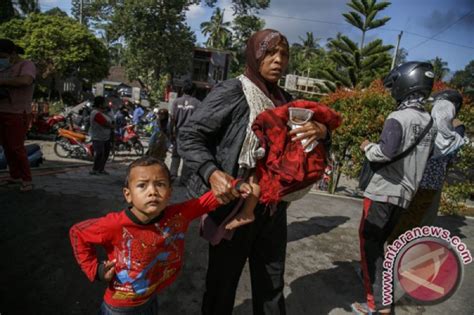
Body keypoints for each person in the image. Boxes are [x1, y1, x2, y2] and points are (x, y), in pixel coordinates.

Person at [178, 29, 329, 315]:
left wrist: (320, 130)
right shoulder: (233, 91)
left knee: (271, 284)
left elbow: (314, 135)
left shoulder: (288, 101)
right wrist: (212, 172)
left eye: (283, 54)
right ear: (254, 55)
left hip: (273, 208)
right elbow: (190, 135)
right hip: (234, 205)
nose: (278, 60)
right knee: (222, 285)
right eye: (270, 53)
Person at [69, 156, 254, 315]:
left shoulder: (179, 215)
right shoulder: (113, 224)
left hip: (150, 298)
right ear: (128, 195)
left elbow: (206, 201)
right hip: (119, 308)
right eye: (142, 185)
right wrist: (96, 270)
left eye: (160, 184)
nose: (152, 191)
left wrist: (235, 186)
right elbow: (78, 233)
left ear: (169, 193)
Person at [353, 61, 437, 315]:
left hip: (382, 192)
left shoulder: (397, 117)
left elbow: (384, 152)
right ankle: (382, 298)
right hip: (404, 196)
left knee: (370, 247)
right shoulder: (429, 122)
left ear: (404, 85)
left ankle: (377, 306)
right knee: (382, 247)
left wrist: (367, 146)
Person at [387, 89, 467, 243]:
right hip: (426, 185)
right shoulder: (452, 136)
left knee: (407, 222)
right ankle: (395, 256)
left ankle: (395, 254)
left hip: (415, 183)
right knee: (412, 224)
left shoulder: (426, 125)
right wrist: (460, 128)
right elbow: (450, 155)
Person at [0, 39, 36, 192]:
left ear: (12, 53)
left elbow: (26, 80)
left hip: (17, 112)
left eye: (2, 56)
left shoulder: (26, 65)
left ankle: (27, 179)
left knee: (16, 147)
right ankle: (14, 176)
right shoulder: (8, 67)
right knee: (7, 147)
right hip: (3, 110)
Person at [169, 81, 201, 183]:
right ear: (194, 91)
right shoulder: (198, 103)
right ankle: (184, 179)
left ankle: (173, 175)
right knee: (187, 157)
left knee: (175, 155)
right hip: (191, 135)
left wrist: (170, 133)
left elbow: (172, 120)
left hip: (178, 133)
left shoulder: (176, 102)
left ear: (183, 90)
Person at [89, 96, 114, 175]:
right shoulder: (95, 113)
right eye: (104, 103)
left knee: (106, 153)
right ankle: (95, 169)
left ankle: (101, 169)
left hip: (105, 137)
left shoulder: (104, 112)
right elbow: (105, 124)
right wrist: (112, 126)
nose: (106, 104)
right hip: (98, 137)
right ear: (100, 104)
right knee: (99, 153)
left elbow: (111, 120)